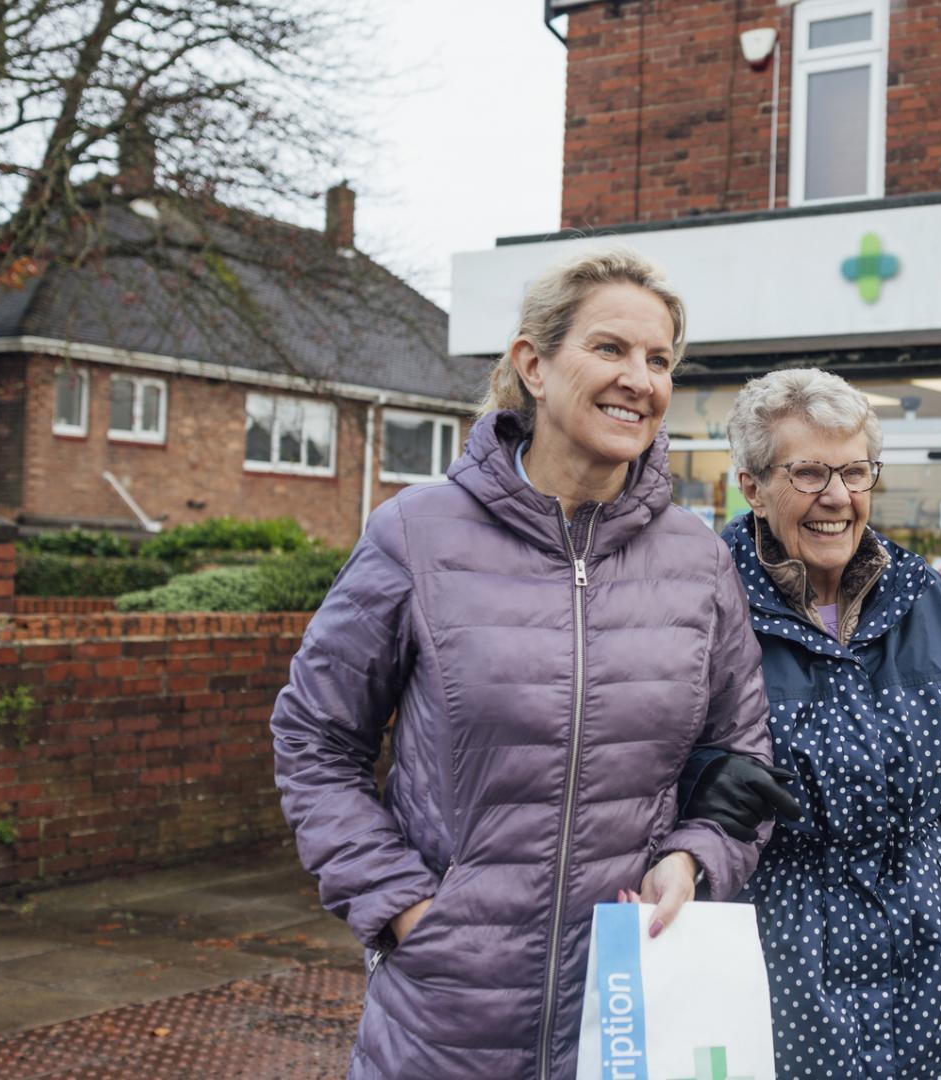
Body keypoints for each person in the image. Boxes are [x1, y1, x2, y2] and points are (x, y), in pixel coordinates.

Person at [270, 247, 775, 1080]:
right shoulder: (416, 536)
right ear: (532, 366)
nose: (640, 380)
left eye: (659, 361)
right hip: (445, 1018)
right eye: (610, 349)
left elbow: (741, 757)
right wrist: (404, 908)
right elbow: (314, 739)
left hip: (627, 1017)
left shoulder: (696, 559)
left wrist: (694, 857)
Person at [681, 368, 941, 1078]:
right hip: (779, 963)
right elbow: (635, 763)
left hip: (928, 971)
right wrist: (700, 780)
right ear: (751, 486)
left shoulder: (926, 595)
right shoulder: (700, 601)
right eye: (808, 472)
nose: (837, 497)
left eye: (855, 470)